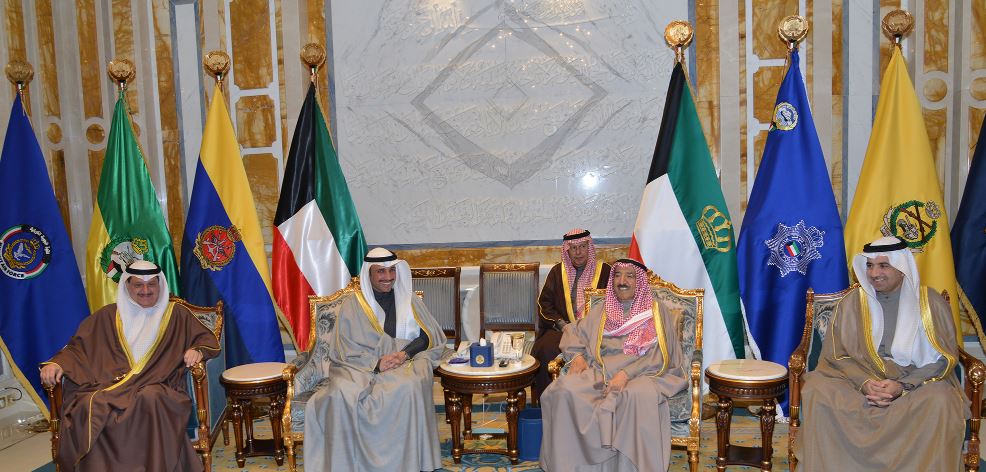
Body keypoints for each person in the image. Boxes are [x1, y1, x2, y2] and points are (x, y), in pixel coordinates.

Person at [795, 236, 968, 471]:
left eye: (883, 265)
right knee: (817, 388)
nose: (874, 273)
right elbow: (836, 354)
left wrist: (902, 386)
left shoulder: (930, 303)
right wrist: (865, 383)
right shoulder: (852, 303)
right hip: (860, 375)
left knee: (941, 399)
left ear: (902, 268)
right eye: (869, 266)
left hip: (913, 380)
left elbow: (943, 357)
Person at [39, 260, 220, 472]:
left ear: (160, 285)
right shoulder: (107, 316)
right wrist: (56, 363)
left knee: (151, 399)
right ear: (127, 285)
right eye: (138, 285)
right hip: (109, 384)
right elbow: (77, 348)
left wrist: (198, 350)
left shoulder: (177, 314)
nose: (146, 290)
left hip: (160, 385)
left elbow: (207, 340)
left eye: (151, 284)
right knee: (88, 405)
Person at [304, 248, 447, 471]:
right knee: (341, 394)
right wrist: (376, 363)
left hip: (402, 362)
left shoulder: (408, 299)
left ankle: (405, 462)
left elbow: (427, 336)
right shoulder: (353, 304)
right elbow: (345, 349)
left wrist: (404, 354)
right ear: (368, 274)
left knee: (409, 386)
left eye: (392, 271)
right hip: (359, 366)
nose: (388, 277)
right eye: (381, 271)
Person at [540, 258, 687, 471]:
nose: (622, 281)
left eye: (629, 276)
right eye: (617, 275)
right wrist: (577, 356)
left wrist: (626, 374)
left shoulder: (655, 312)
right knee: (564, 390)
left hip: (643, 373)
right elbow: (574, 331)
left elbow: (660, 355)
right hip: (601, 371)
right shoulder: (603, 310)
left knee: (633, 397)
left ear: (640, 281)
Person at [532, 228, 611, 403]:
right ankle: (550, 402)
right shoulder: (557, 272)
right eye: (574, 248)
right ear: (567, 250)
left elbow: (614, 303)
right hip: (563, 328)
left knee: (608, 348)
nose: (578, 252)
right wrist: (562, 324)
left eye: (582, 247)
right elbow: (545, 304)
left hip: (595, 330)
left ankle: (595, 400)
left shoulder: (605, 271)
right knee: (546, 348)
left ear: (589, 247)